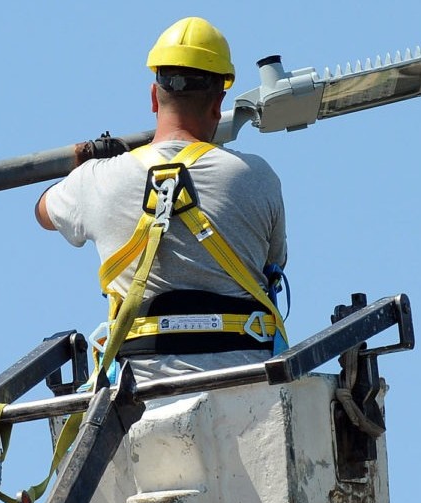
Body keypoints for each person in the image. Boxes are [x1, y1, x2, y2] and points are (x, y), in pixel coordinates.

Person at [35, 17, 288, 381]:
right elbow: (273, 264)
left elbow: (43, 210)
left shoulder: (95, 180)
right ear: (218, 103)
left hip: (139, 393)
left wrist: (84, 166)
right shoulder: (257, 177)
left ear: (154, 97)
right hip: (244, 384)